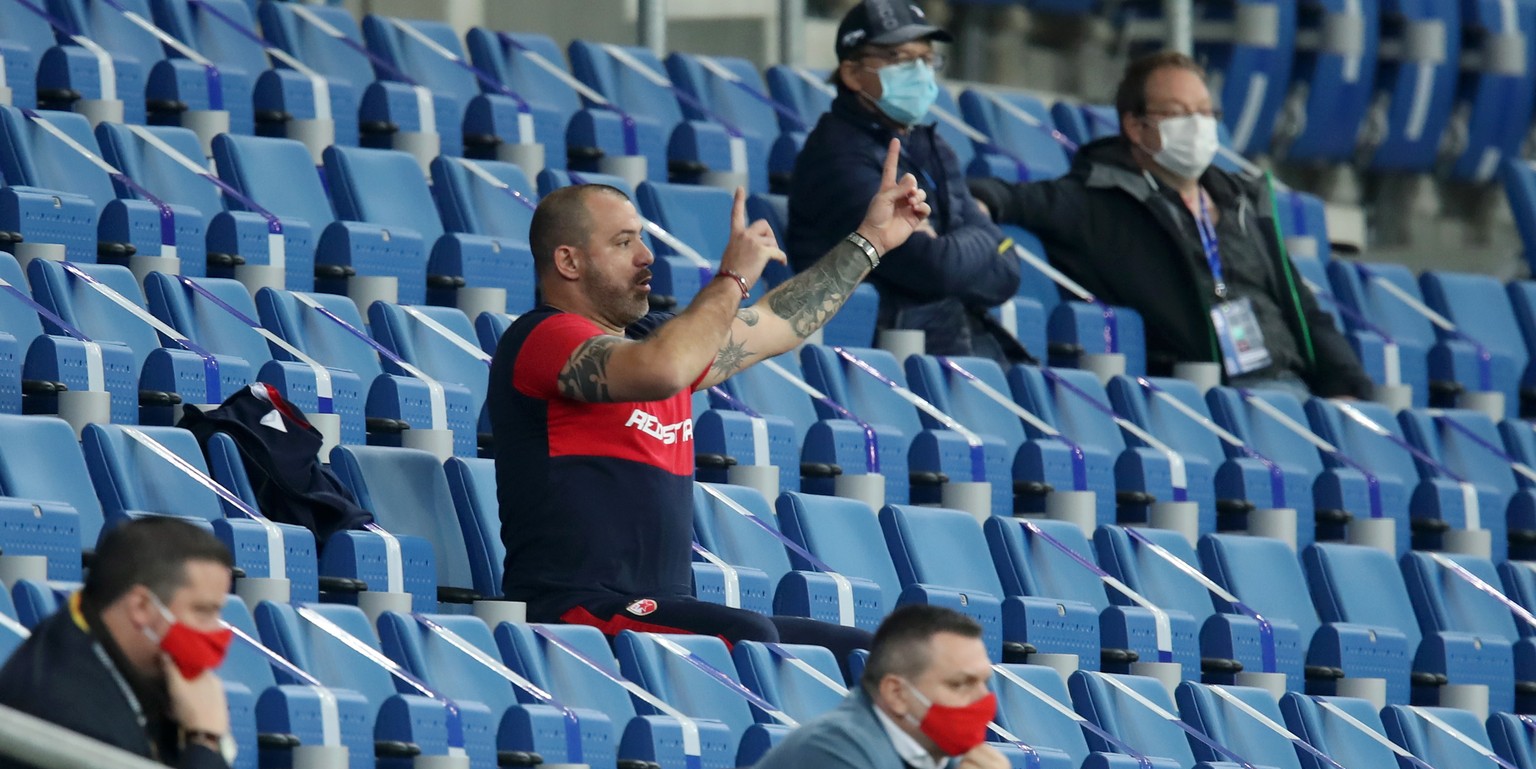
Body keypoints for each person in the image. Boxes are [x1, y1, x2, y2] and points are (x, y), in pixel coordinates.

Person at [488, 139, 929, 664]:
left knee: (866, 653)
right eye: (624, 242)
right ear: (569, 261)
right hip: (576, 608)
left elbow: (782, 321)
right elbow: (663, 368)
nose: (647, 256)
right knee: (748, 636)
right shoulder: (543, 338)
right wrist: (733, 278)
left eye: (643, 240)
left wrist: (872, 240)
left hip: (662, 606)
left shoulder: (658, 340)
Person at [968, 51, 1373, 399]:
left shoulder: (1244, 202)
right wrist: (980, 203)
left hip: (1293, 389)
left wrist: (1349, 388)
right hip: (1208, 400)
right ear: (1135, 126)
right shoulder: (1097, 200)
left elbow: (1302, 308)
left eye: (1204, 112)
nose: (1197, 125)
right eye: (1178, 114)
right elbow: (1013, 197)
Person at [786, 0, 1027, 364]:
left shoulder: (932, 146)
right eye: (900, 58)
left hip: (954, 343)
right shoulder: (836, 157)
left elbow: (1007, 270)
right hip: (882, 358)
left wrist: (971, 246)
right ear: (852, 74)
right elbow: (932, 267)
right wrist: (982, 241)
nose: (919, 71)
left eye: (926, 59)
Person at [702, 605, 1025, 769]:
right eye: (960, 684)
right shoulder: (832, 755)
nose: (983, 701)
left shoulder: (957, 765)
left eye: (983, 683)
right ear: (897, 694)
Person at [0, 517, 241, 769]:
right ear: (141, 606)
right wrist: (204, 744)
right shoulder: (67, 706)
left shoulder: (128, 663)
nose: (216, 631)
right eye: (203, 611)